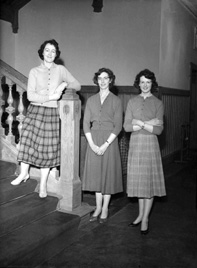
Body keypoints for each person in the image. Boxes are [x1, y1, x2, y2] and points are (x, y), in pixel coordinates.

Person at [11, 39, 81, 198]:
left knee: (47, 150)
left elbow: (77, 85)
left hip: (51, 113)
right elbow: (31, 96)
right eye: (47, 50)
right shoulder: (34, 71)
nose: (50, 53)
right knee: (27, 140)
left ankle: (43, 185)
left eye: (53, 51)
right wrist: (52, 96)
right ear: (42, 52)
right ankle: (24, 173)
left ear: (56, 54)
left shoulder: (61, 69)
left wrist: (63, 85)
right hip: (35, 111)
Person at [123, 69, 166, 234]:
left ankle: (146, 218)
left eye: (148, 82)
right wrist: (148, 123)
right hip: (135, 143)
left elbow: (158, 130)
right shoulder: (132, 102)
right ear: (138, 84)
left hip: (150, 144)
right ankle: (140, 214)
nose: (145, 85)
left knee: (148, 182)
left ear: (152, 84)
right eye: (142, 82)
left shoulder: (158, 103)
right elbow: (127, 127)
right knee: (140, 182)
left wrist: (139, 122)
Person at [82, 67, 123, 223]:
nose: (103, 81)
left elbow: (118, 126)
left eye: (106, 78)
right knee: (96, 175)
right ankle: (97, 207)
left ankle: (105, 208)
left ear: (110, 80)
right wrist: (91, 144)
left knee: (107, 175)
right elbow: (86, 124)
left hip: (109, 141)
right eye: (100, 78)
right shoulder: (91, 100)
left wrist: (105, 144)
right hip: (93, 139)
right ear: (97, 80)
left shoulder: (116, 101)